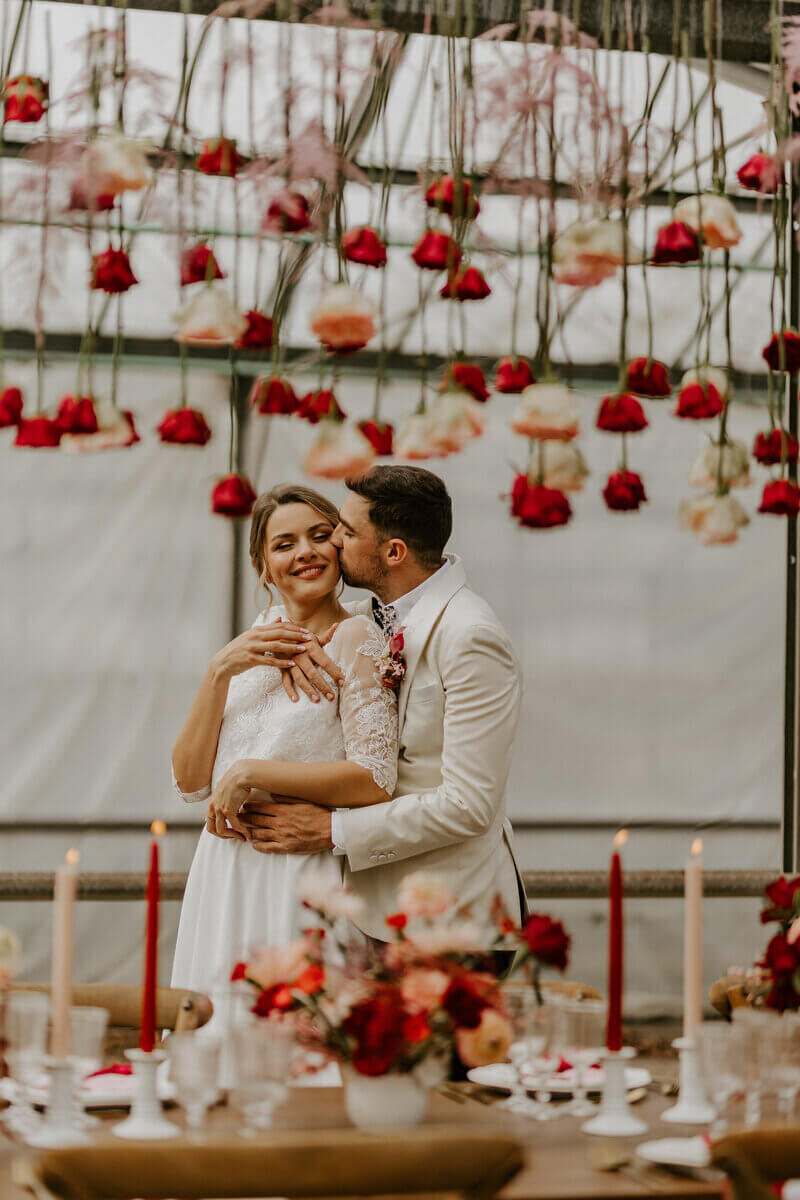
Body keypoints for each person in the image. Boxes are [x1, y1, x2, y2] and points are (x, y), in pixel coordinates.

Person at [239, 465, 527, 945]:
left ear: (393, 552)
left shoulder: (470, 636)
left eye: (347, 532)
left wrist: (333, 829)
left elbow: (470, 805)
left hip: (450, 922)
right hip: (373, 912)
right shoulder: (363, 614)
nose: (332, 540)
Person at [170, 484, 398, 1013]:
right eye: (285, 544)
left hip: (297, 873)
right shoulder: (252, 642)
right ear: (264, 566)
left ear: (341, 547)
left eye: (321, 536)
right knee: (215, 1029)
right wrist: (220, 669)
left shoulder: (357, 636)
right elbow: (189, 782)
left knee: (292, 1040)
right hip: (223, 873)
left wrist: (253, 771)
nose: (306, 553)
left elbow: (374, 779)